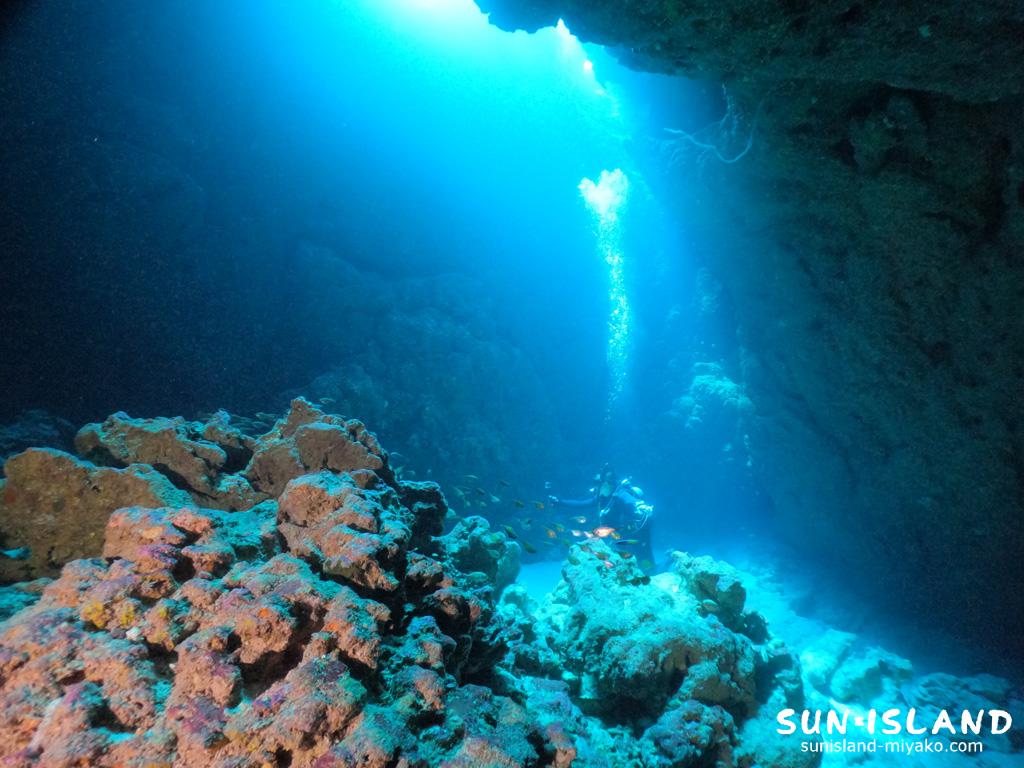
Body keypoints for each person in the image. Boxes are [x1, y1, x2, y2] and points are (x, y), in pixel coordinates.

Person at [549, 464, 655, 569]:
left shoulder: (619, 494)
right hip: (613, 535)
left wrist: (640, 505)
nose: (598, 487)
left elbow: (629, 500)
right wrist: (560, 502)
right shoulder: (602, 498)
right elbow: (580, 503)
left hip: (626, 535)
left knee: (641, 562)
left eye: (609, 482)